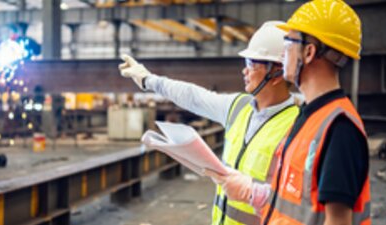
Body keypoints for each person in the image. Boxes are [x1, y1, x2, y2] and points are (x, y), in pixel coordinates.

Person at [205, 0, 371, 224]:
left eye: (289, 44)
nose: (283, 56)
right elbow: (296, 202)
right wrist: (255, 193)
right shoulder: (307, 116)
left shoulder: (339, 129)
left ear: (309, 52)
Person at [119, 21, 300, 225]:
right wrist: (148, 80)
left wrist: (251, 191)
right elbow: (194, 96)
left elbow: (298, 202)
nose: (244, 71)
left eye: (251, 64)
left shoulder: (298, 126)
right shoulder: (238, 107)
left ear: (276, 73)